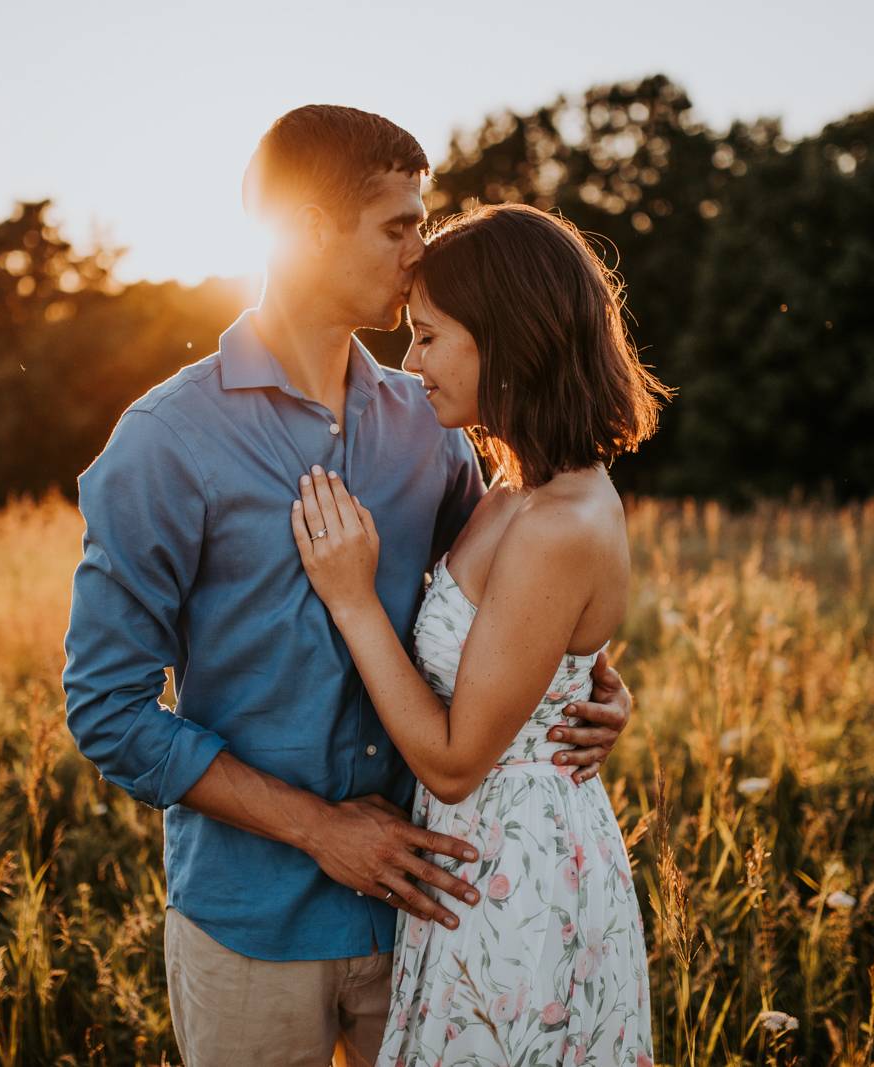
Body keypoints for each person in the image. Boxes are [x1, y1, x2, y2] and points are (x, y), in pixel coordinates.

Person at [60, 105, 635, 1067]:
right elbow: (107, 711)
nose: (421, 251)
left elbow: (503, 599)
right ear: (312, 232)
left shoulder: (433, 424)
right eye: (399, 225)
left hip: (433, 916)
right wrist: (319, 830)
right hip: (252, 925)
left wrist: (589, 682)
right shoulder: (165, 441)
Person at [289, 203, 668, 1066]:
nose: (409, 361)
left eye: (429, 337)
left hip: (516, 878)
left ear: (505, 338)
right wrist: (598, 683)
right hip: (478, 865)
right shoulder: (509, 486)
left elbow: (457, 764)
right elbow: (541, 656)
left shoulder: (558, 520)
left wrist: (352, 599)